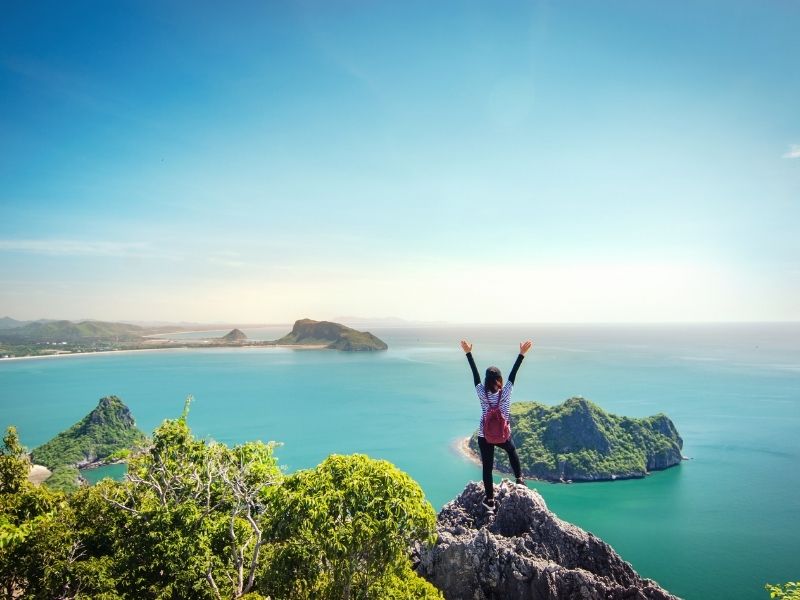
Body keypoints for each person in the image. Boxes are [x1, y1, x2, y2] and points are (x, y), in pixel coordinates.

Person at [460, 338, 533, 510]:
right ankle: (520, 479)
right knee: (512, 451)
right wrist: (521, 354)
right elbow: (513, 375)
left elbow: (475, 375)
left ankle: (490, 500)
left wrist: (468, 353)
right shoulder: (506, 392)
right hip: (501, 435)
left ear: (486, 381)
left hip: (484, 436)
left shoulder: (481, 393)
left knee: (487, 467)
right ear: (499, 379)